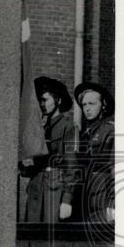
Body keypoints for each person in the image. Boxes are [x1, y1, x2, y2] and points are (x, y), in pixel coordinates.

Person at [21, 76, 77, 222]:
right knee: (32, 236)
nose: (41, 104)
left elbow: (72, 166)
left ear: (58, 100)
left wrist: (66, 200)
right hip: (36, 187)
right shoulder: (40, 128)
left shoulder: (68, 126)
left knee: (51, 234)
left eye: (45, 100)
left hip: (55, 189)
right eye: (40, 101)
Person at [63, 82, 115, 224]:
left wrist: (113, 203)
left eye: (91, 104)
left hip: (101, 196)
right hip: (82, 197)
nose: (87, 109)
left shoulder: (109, 131)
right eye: (84, 105)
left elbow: (114, 168)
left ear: (103, 104)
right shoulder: (83, 133)